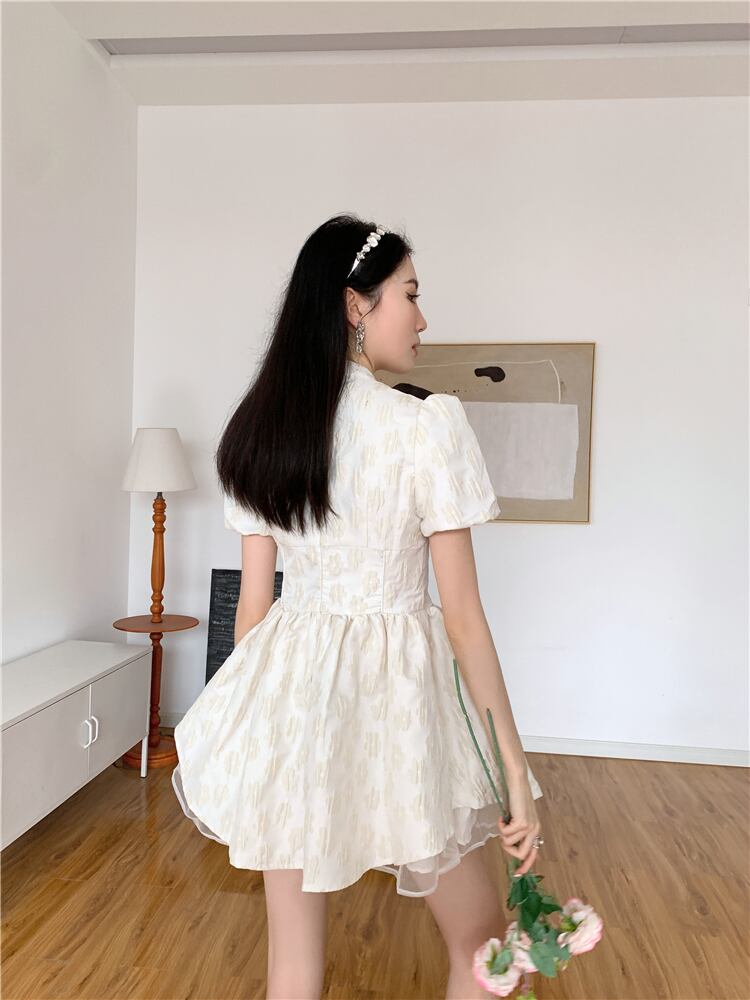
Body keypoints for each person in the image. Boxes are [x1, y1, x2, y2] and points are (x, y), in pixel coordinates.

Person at [171, 214, 544, 1000]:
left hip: (289, 706)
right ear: (355, 305)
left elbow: (254, 612)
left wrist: (250, 731)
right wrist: (514, 767)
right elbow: (463, 620)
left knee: (292, 965)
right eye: (410, 294)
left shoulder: (264, 433)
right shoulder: (424, 427)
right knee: (484, 947)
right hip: (400, 706)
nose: (423, 317)